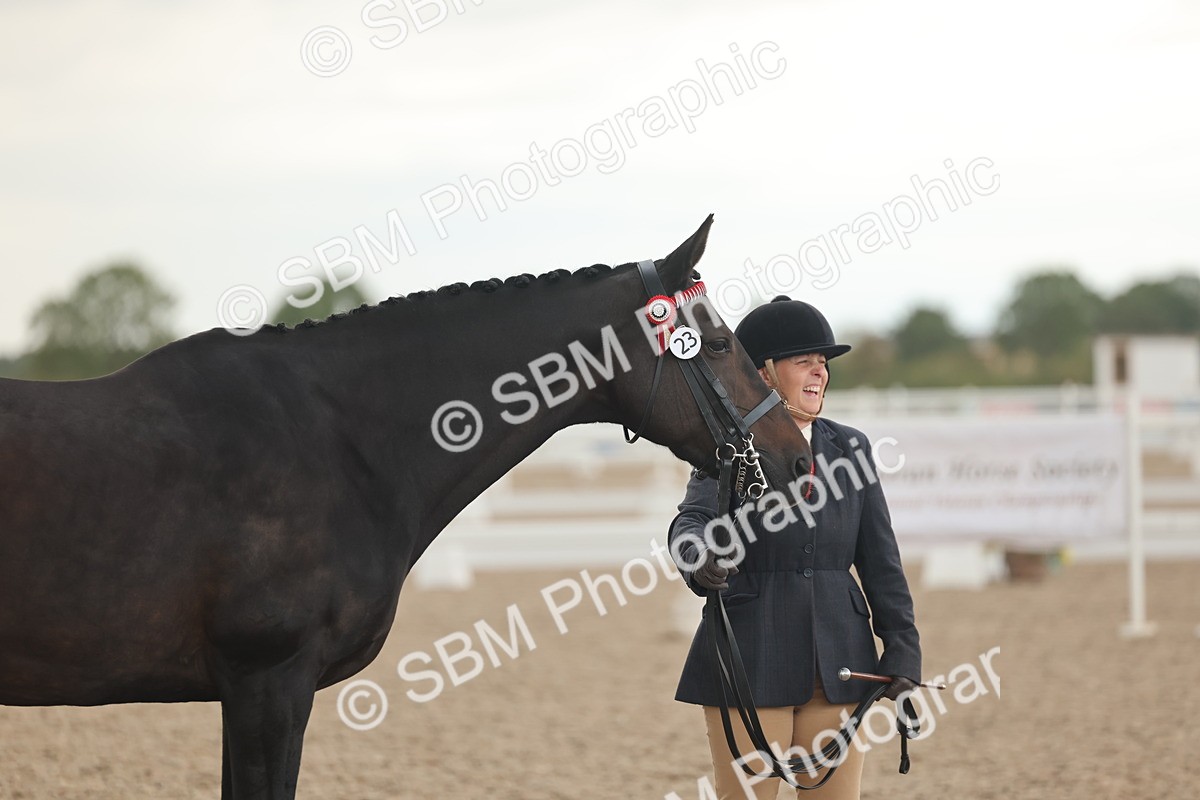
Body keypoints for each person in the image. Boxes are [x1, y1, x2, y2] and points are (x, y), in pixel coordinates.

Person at [668, 296, 922, 800]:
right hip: (751, 654)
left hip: (841, 659)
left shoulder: (850, 448)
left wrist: (902, 649)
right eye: (804, 362)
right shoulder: (730, 449)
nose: (819, 373)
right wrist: (699, 558)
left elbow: (880, 560)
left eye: (823, 364)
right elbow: (691, 521)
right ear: (762, 373)